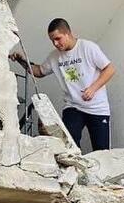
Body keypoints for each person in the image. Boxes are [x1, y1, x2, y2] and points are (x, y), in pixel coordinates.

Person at [11, 18, 116, 151]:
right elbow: (38, 71)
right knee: (68, 147)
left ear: (68, 33)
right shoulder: (54, 56)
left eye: (58, 38)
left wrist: (93, 88)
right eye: (52, 40)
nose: (55, 43)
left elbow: (110, 69)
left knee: (102, 151)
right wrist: (22, 61)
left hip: (97, 108)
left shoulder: (88, 47)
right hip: (73, 107)